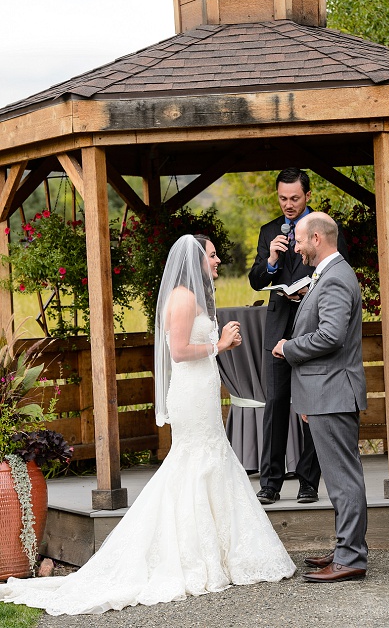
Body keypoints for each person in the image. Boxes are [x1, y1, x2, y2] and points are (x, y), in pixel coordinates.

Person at [0, 235, 295, 615]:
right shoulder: (185, 297)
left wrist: (220, 346)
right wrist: (220, 345)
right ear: (195, 260)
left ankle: (219, 552)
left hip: (200, 390)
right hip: (190, 393)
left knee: (209, 460)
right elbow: (179, 352)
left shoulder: (194, 295)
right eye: (212, 255)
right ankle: (190, 554)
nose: (218, 260)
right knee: (194, 462)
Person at [273, 212, 368, 583]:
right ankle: (348, 548)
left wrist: (289, 347)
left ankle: (351, 557)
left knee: (343, 479)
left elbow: (331, 336)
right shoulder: (329, 275)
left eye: (298, 240)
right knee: (341, 477)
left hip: (332, 391)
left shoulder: (335, 279)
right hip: (324, 392)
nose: (295, 247)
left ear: (316, 238)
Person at [249, 167, 346, 505]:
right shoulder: (268, 231)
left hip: (313, 328)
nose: (287, 205)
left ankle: (308, 482)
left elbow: (334, 269)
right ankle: (270, 483)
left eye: (294, 198)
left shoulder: (325, 229)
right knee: (275, 404)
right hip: (278, 327)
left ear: (307, 196)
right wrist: (272, 260)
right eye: (282, 198)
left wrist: (310, 294)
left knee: (311, 404)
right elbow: (256, 280)